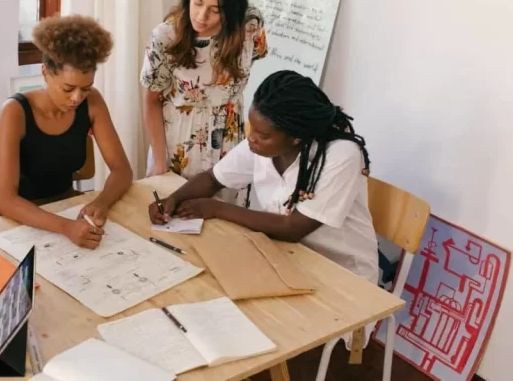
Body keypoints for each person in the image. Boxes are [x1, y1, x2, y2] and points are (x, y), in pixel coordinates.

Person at [148, 70, 379, 286]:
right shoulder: (262, 146)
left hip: (343, 277)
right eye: (252, 129)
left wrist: (216, 209)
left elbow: (292, 228)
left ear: (296, 137)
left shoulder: (341, 155)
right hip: (288, 259)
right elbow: (213, 179)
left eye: (262, 135)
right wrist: (173, 199)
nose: (251, 139)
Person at [0, 15, 133, 250]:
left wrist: (102, 202)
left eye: (86, 89)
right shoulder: (15, 112)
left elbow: (122, 170)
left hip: (66, 207)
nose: (77, 98)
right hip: (19, 219)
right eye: (68, 89)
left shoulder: (92, 103)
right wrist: (65, 227)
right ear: (46, 73)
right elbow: (5, 200)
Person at [142, 0, 268, 204]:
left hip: (229, 140)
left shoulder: (249, 26)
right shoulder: (166, 36)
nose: (201, 16)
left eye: (215, 9)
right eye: (197, 2)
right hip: (179, 142)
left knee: (225, 224)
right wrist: (159, 162)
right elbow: (151, 100)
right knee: (173, 217)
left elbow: (254, 56)